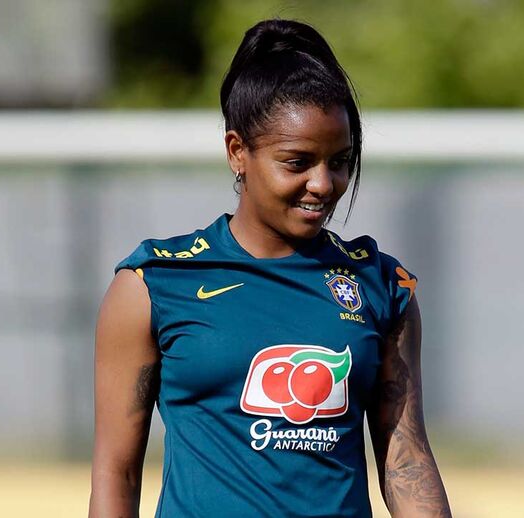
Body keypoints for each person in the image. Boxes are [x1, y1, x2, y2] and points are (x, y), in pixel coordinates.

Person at [89, 19, 451, 518]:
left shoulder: (383, 286)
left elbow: (405, 461)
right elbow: (117, 472)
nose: (323, 184)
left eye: (340, 161)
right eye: (297, 162)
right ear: (238, 152)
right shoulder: (153, 285)